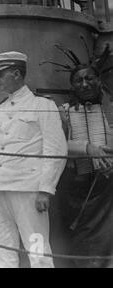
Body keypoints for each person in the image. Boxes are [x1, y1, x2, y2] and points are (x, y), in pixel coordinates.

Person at [0, 52, 67, 268]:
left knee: (37, 249)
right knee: (0, 249)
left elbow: (56, 150)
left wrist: (46, 190)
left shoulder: (43, 106)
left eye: (1, 74)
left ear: (17, 73)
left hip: (28, 190)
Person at [50, 44, 113, 268]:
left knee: (107, 244)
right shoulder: (64, 112)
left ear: (99, 81)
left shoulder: (110, 110)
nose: (85, 84)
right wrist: (87, 148)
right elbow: (54, 145)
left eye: (89, 79)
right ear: (73, 86)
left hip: (106, 190)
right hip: (75, 193)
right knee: (78, 245)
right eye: (79, 81)